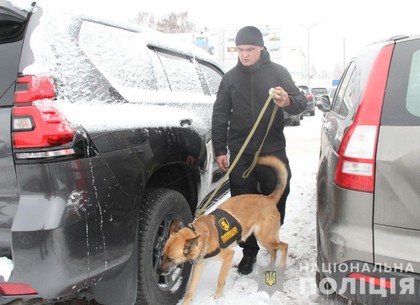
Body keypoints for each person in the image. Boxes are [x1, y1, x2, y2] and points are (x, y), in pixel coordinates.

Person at [211, 26, 307, 275]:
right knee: (242, 204)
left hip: (272, 148)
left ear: (261, 48)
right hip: (241, 152)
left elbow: (300, 103)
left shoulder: (278, 73)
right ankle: (249, 252)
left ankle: (270, 232)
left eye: (250, 50)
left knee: (278, 194)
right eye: (240, 50)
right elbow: (220, 114)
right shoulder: (230, 78)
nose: (244, 54)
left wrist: (287, 101)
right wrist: (220, 149)